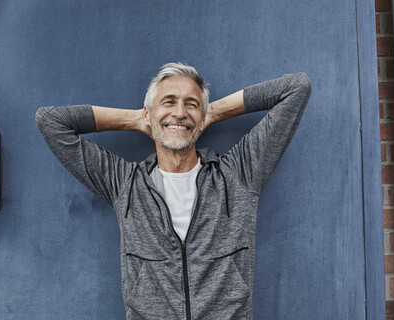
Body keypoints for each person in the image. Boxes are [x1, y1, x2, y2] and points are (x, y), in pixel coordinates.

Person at [35, 62, 312, 320]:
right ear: (149, 113)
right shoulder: (124, 183)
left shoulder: (238, 174)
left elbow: (296, 88)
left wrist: (212, 112)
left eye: (191, 104)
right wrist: (136, 119)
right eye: (168, 102)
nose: (180, 112)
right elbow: (50, 121)